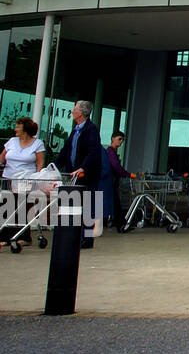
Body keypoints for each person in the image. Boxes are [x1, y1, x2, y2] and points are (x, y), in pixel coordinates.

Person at [54, 100, 102, 248]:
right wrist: (54, 167)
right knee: (72, 203)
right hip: (72, 173)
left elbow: (93, 151)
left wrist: (84, 168)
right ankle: (71, 236)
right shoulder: (75, 130)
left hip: (86, 174)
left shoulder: (91, 129)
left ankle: (87, 239)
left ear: (80, 112)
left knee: (88, 205)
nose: (72, 111)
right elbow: (66, 150)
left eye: (74, 108)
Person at [1, 117, 46, 248]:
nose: (15, 129)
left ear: (25, 130)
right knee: (5, 206)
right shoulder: (12, 141)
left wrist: (36, 178)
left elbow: (40, 162)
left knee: (20, 206)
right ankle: (5, 237)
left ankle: (23, 237)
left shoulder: (37, 144)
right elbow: (2, 157)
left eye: (18, 127)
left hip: (26, 180)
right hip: (8, 178)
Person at [100, 131, 131, 231]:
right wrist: (127, 174)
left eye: (122, 139)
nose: (121, 141)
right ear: (113, 139)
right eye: (119, 139)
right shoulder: (110, 152)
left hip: (111, 181)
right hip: (109, 181)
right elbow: (116, 166)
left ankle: (119, 223)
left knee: (114, 203)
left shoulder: (111, 152)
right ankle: (120, 224)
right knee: (115, 203)